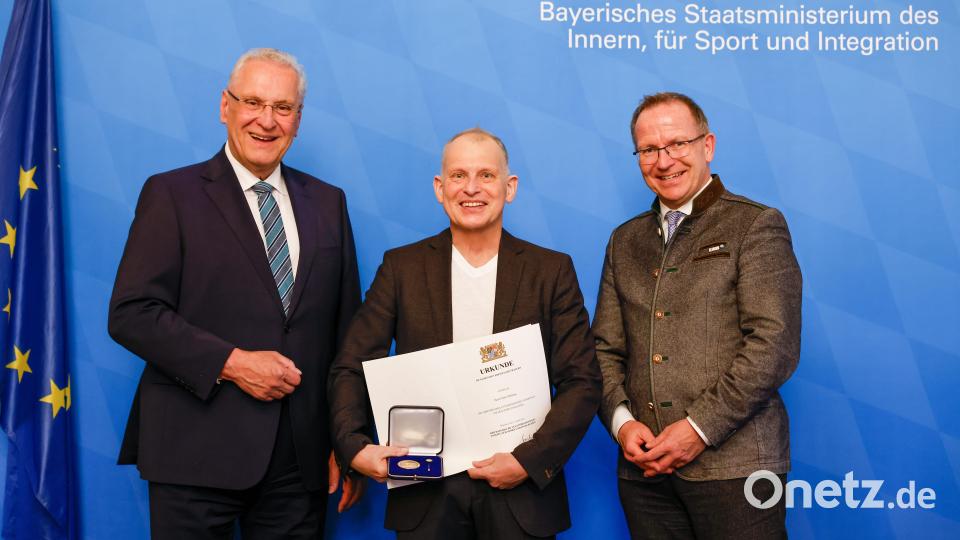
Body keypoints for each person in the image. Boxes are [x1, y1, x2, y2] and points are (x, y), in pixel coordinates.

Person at [108, 48, 362, 539]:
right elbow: (131, 313)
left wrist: (346, 439)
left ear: (297, 120)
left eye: (282, 108)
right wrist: (233, 363)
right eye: (252, 102)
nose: (266, 121)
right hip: (194, 452)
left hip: (298, 463)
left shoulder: (329, 203)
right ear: (225, 107)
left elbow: (346, 332)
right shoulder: (171, 195)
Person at [328, 128, 601, 539]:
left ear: (509, 188)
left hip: (521, 495)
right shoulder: (400, 269)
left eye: (486, 176)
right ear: (440, 188)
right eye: (458, 176)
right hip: (425, 493)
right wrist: (354, 447)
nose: (471, 188)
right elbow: (351, 366)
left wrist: (528, 461)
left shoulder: (551, 271)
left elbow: (582, 381)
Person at [593, 92, 802, 539]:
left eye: (677, 144)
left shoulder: (756, 225)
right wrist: (622, 424)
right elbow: (603, 349)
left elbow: (774, 345)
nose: (664, 160)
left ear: (707, 146)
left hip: (736, 468)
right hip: (644, 475)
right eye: (649, 149)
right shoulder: (623, 241)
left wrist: (697, 428)